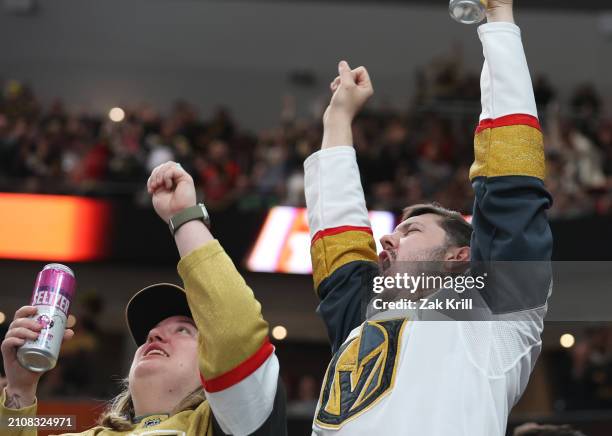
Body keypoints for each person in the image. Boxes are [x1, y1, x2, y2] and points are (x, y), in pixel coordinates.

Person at [304, 1, 552, 435]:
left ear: (459, 258)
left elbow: (511, 185)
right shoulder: (363, 328)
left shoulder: (493, 319)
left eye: (411, 230)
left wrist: (498, 19)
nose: (384, 241)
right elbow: (338, 241)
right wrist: (337, 118)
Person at [1, 161, 287, 435]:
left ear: (213, 365)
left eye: (183, 329)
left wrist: (184, 218)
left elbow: (235, 333)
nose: (154, 334)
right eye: (153, 331)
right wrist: (20, 392)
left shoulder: (229, 422)